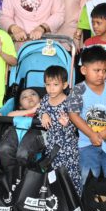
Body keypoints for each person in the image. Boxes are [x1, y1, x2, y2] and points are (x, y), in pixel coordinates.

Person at [68, 45, 106, 182]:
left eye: (104, 71)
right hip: (87, 144)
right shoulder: (78, 90)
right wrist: (91, 134)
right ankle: (87, 204)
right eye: (97, 70)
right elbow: (73, 115)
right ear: (83, 70)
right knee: (87, 180)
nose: (101, 74)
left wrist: (105, 133)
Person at [38, 65, 82, 193]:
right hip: (52, 147)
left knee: (70, 177)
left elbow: (74, 130)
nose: (51, 89)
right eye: (48, 84)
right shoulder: (46, 99)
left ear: (64, 85)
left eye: (55, 84)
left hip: (67, 149)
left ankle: (74, 204)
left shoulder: (69, 102)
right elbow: (40, 109)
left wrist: (66, 125)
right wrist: (44, 114)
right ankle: (57, 203)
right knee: (54, 177)